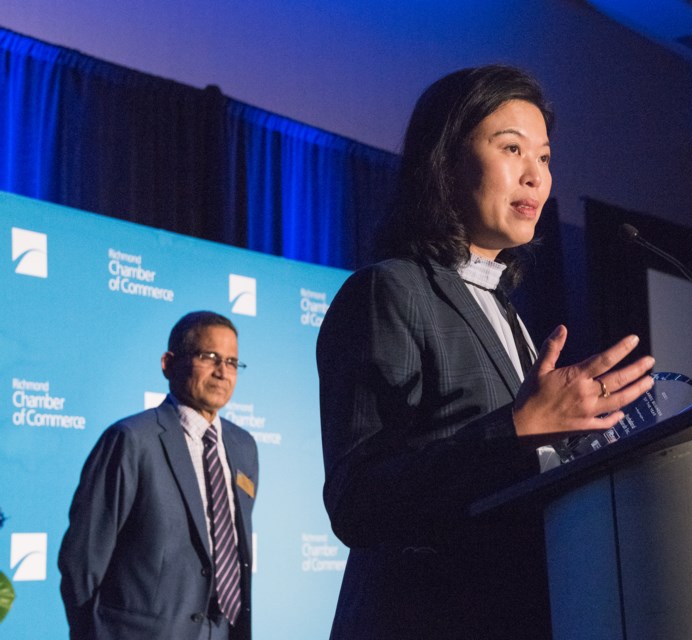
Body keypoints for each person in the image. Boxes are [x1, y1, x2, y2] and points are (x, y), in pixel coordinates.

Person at [317, 65, 655, 638]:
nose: (535, 176)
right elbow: (359, 500)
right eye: (511, 149)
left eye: (544, 158)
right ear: (444, 162)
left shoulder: (506, 311)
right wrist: (519, 428)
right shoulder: (391, 289)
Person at [59, 311, 258, 640]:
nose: (223, 372)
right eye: (209, 357)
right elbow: (81, 561)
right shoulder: (131, 440)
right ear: (168, 363)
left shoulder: (243, 447)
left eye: (233, 362)